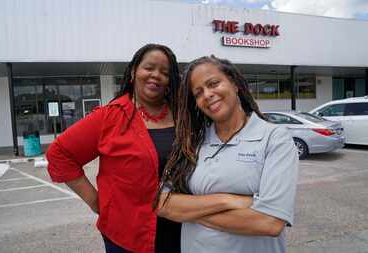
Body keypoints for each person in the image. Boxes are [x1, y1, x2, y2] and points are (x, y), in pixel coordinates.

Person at [46, 44, 182, 253]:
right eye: (149, 68)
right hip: (128, 234)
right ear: (134, 71)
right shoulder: (110, 116)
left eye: (165, 72)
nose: (156, 75)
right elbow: (59, 154)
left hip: (182, 229)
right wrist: (96, 202)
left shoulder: (184, 116)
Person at [156, 56, 299, 253]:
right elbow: (162, 203)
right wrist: (228, 200)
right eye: (198, 93)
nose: (207, 95)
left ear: (235, 84)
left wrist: (188, 212)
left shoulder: (274, 138)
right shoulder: (191, 144)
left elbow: (270, 222)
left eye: (213, 83)